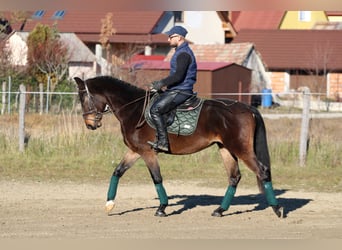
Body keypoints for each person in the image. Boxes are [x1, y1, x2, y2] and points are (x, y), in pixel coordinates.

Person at [148, 26, 197, 153]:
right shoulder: (180, 52)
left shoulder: (183, 54)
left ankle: (163, 143)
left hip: (181, 90)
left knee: (155, 110)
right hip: (175, 89)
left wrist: (161, 83)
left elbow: (178, 76)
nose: (168, 39)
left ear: (179, 37)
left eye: (171, 36)